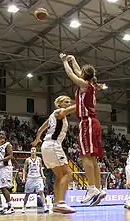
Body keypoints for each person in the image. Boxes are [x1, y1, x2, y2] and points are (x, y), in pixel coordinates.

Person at [60, 53, 106, 206]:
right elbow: (78, 71)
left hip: (87, 123)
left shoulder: (85, 85)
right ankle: (98, 189)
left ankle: (92, 188)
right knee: (92, 158)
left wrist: (64, 62)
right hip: (93, 123)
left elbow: (71, 74)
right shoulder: (88, 84)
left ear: (84, 76)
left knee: (86, 156)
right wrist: (73, 61)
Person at [31, 96, 76, 214]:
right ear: (59, 104)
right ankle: (61, 202)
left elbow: (40, 129)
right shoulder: (60, 112)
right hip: (53, 145)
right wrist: (83, 101)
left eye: (70, 102)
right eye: (66, 102)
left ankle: (57, 203)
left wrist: (37, 140)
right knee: (68, 174)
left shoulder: (53, 115)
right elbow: (72, 109)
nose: (68, 104)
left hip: (46, 146)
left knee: (60, 176)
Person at [0, 130, 15, 215]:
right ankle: (0, 207)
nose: (0, 135)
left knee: (3, 187)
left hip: (5, 168)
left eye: (2, 134)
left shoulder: (7, 144)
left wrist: (0, 160)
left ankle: (10, 207)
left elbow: (11, 155)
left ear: (5, 136)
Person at [21, 147, 48, 213]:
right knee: (27, 194)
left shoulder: (39, 159)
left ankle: (45, 206)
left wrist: (43, 175)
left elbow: (40, 168)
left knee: (41, 192)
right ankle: (24, 206)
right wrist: (24, 177)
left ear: (36, 151)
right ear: (30, 151)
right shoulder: (27, 160)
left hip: (38, 177)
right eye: (31, 149)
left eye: (34, 150)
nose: (33, 151)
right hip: (30, 178)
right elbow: (24, 169)